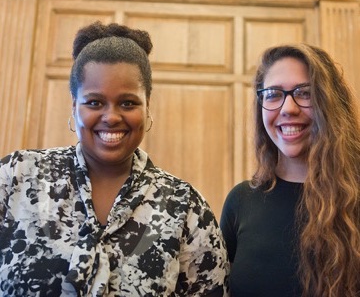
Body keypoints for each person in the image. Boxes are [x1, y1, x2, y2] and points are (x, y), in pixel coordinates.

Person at [0, 21, 229, 296]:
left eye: (128, 103)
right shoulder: (17, 178)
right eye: (94, 102)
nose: (111, 117)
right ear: (74, 105)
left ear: (147, 106)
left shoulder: (185, 207)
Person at [220, 43, 360, 297]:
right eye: (273, 94)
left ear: (331, 104)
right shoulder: (241, 202)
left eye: (304, 93)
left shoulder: (355, 198)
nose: (288, 108)